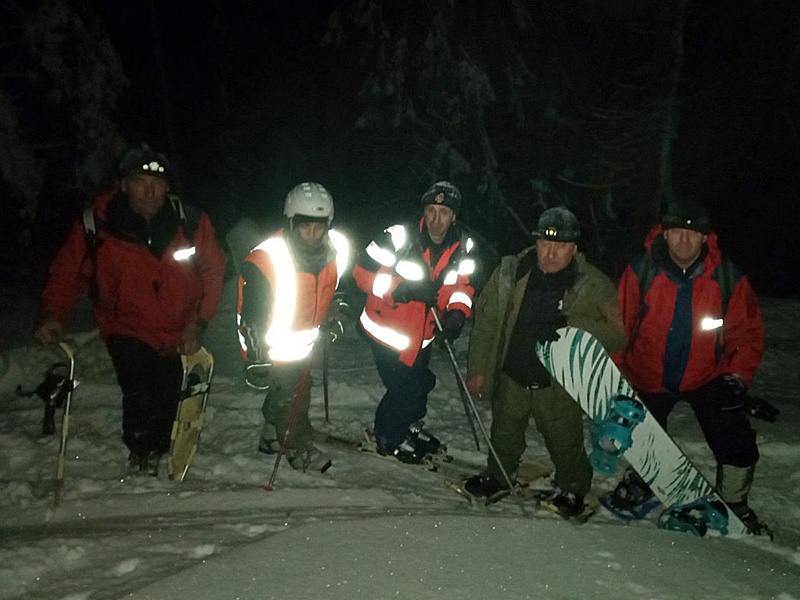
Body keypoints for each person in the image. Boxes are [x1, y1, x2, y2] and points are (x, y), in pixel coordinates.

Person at [35, 143, 227, 475]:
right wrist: (53, 312)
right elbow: (68, 272)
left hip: (178, 329)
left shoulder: (190, 222)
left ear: (167, 187)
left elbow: (213, 271)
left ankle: (162, 448)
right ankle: (141, 450)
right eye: (140, 182)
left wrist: (200, 322)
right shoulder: (98, 224)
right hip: (126, 327)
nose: (150, 192)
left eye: (158, 184)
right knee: (139, 391)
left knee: (168, 394)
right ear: (124, 185)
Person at [610, 202, 768, 533]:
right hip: (648, 374)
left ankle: (735, 502)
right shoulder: (641, 271)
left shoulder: (726, 277)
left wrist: (737, 378)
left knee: (735, 435)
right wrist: (615, 376)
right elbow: (617, 326)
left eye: (692, 234)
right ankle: (643, 479)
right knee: (640, 432)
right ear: (665, 234)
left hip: (705, 376)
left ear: (705, 238)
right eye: (677, 232)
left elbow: (747, 333)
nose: (684, 241)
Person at [463, 207, 626, 517]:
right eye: (545, 244)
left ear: (574, 248)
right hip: (512, 373)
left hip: (558, 384)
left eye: (561, 246)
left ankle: (573, 487)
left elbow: (617, 336)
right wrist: (479, 370)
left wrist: (572, 324)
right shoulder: (511, 273)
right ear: (536, 242)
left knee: (565, 439)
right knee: (504, 432)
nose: (551, 253)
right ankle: (499, 475)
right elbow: (487, 323)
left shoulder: (592, 284)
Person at [353, 181, 477, 463]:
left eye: (443, 213)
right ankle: (387, 435)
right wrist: (400, 290)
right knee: (406, 390)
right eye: (431, 210)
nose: (436, 219)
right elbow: (361, 274)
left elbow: (463, 287)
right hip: (387, 331)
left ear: (453, 216)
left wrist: (457, 315)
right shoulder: (399, 237)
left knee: (422, 384)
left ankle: (406, 424)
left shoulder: (463, 248)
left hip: (423, 334)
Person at [237, 182, 350, 473]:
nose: (312, 234)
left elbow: (332, 289)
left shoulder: (334, 252)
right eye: (304, 227)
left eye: (318, 227)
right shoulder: (267, 259)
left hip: (304, 343)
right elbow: (250, 315)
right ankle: (297, 447)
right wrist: (256, 356)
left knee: (294, 389)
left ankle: (271, 435)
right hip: (274, 347)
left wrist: (334, 314)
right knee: (294, 397)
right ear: (290, 222)